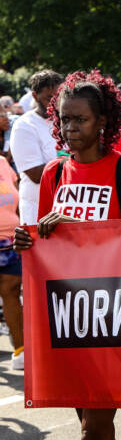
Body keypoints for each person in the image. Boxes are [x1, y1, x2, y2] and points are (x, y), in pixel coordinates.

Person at [13, 69, 121, 440]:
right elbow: (48, 242)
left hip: (111, 313)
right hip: (66, 313)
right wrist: (28, 241)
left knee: (94, 425)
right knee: (86, 420)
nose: (70, 127)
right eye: (64, 119)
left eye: (80, 119)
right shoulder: (54, 172)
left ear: (103, 121)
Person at [9, 69, 63, 226]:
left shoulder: (65, 121)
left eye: (59, 97)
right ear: (34, 96)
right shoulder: (24, 125)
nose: (55, 103)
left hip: (65, 208)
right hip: (37, 211)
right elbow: (36, 174)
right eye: (49, 98)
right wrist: (75, 162)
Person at [0, 155, 22, 370]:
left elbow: (17, 201)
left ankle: (21, 351)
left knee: (12, 294)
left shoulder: (3, 163)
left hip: (10, 240)